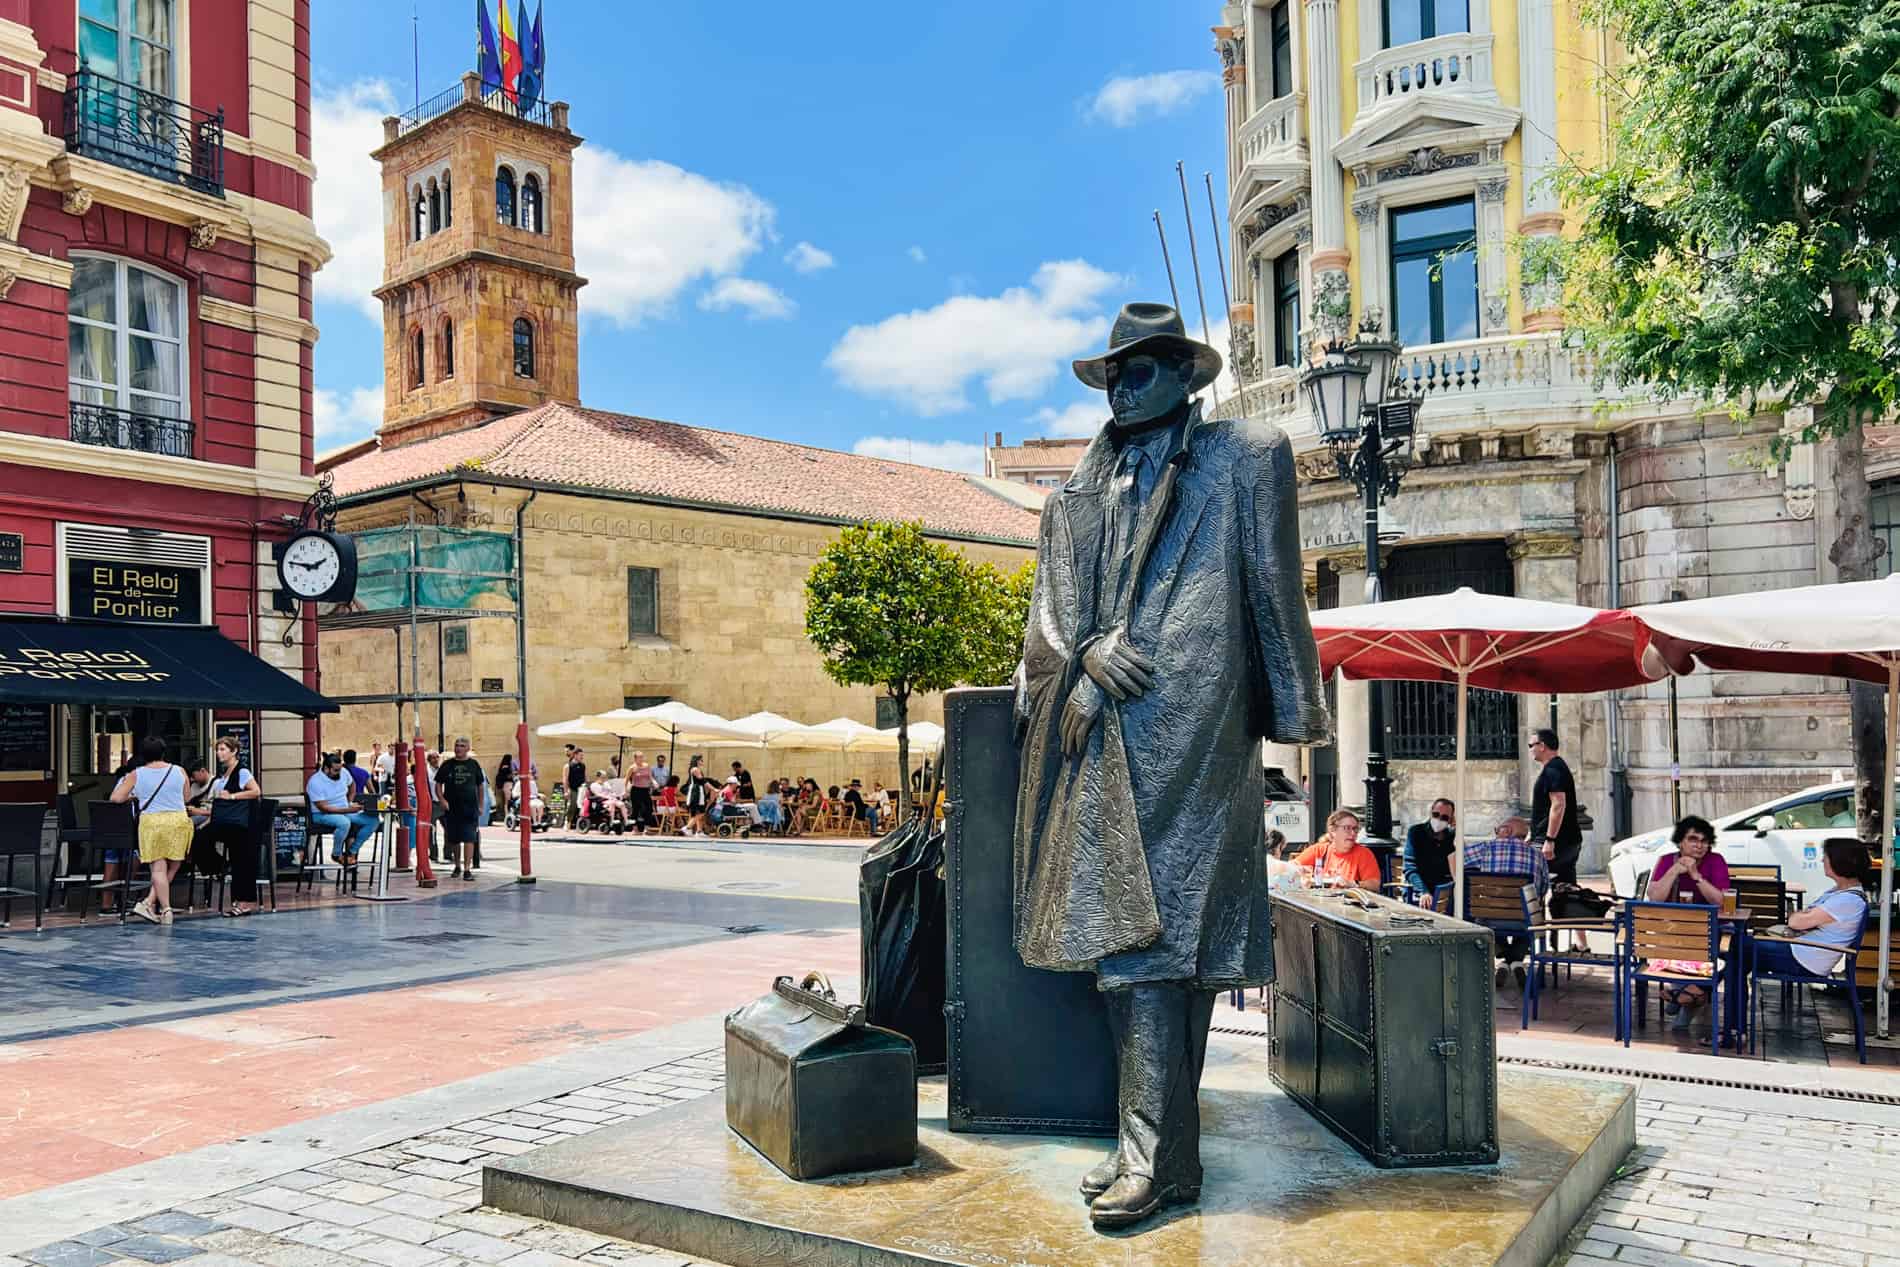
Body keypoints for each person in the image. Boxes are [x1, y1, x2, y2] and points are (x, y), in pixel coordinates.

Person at [1015, 303, 1330, 1226]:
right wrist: (1081, 658)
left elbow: (1275, 586)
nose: (1124, 384)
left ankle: (1154, 1155)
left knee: (1153, 945)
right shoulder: (1077, 490)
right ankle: (1162, 1153)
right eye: (1114, 370)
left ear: (1184, 374)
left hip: (1194, 726)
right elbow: (1046, 617)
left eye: (1142, 367)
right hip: (1100, 735)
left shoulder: (1248, 455)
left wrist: (1294, 712)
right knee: (1142, 944)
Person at [1645, 814, 1731, 1024]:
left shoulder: (1715, 861)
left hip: (1708, 932)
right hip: (1672, 932)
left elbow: (1722, 902)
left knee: (1722, 950)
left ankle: (1684, 995)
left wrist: (1696, 875)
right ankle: (1688, 996)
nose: (1699, 846)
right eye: (1693, 839)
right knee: (1677, 942)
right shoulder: (1667, 861)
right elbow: (1655, 897)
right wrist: (1674, 871)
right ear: (1680, 843)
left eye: (1704, 841)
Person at [1753, 838, 1871, 978]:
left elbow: (1796, 923)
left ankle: (1733, 998)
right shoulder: (1842, 892)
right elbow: (1805, 917)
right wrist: (1802, 916)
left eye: (1826, 857)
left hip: (1805, 961)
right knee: (1741, 948)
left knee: (1739, 949)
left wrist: (1798, 916)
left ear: (1839, 861)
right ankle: (1735, 998)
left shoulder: (1848, 900)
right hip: (1803, 953)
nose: (1822, 861)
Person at [110, 736, 192, 925]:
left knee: (158, 868)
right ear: (164, 752)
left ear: (143, 754)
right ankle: (149, 902)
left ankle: (165, 909)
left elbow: (116, 798)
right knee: (174, 865)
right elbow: (186, 797)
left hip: (153, 822)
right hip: (178, 821)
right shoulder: (179, 770)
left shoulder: (136, 774)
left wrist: (133, 796)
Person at [1464, 815, 1548, 986]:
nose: (1495, 833)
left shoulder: (1487, 848)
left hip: (1489, 919)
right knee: (1533, 911)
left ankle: (1505, 961)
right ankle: (1515, 961)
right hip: (1524, 921)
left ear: (1508, 831)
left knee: (1486, 915)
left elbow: (1456, 858)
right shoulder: (1538, 855)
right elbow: (1543, 889)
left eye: (1498, 830)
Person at [189, 737, 263, 916]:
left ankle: (243, 903)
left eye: (223, 749)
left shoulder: (242, 771)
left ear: (234, 751)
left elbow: (256, 791)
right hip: (225, 821)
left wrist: (232, 796)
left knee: (241, 860)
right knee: (199, 838)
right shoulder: (225, 773)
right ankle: (220, 866)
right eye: (218, 749)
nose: (219, 753)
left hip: (240, 824)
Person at [1529, 729, 1583, 886]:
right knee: (1564, 887)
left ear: (1542, 746)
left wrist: (1549, 840)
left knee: (1534, 888)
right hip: (1567, 840)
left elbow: (1558, 804)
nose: (1530, 749)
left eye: (1531, 745)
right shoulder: (1557, 767)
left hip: (1556, 842)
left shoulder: (1553, 770)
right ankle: (1568, 910)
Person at [307, 751, 380, 865]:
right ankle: (336, 854)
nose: (339, 773)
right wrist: (348, 809)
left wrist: (349, 801)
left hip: (343, 810)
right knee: (344, 822)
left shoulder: (343, 772)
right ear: (326, 769)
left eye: (340, 769)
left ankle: (352, 851)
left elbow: (352, 785)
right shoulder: (315, 782)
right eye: (336, 770)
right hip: (321, 814)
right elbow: (324, 808)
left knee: (373, 821)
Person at [433, 737, 487, 880]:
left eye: (462, 746)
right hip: (452, 807)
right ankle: (457, 866)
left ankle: (467, 869)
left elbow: (480, 786)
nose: (459, 748)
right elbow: (438, 784)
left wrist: (481, 805)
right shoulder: (447, 764)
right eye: (457, 745)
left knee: (469, 838)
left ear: (468, 748)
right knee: (455, 839)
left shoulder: (474, 765)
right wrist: (442, 800)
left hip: (470, 807)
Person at [1294, 809, 1383, 887]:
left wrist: (1353, 884)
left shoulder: (1363, 853)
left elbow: (1374, 884)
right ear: (1333, 831)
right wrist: (1301, 875)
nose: (1353, 833)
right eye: (1347, 828)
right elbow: (1291, 867)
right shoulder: (1319, 850)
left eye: (1355, 829)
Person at [1401, 798, 1457, 907]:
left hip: (1443, 892)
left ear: (1450, 820)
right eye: (1436, 814)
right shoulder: (1416, 832)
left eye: (1445, 817)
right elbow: (1409, 867)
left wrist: (1457, 830)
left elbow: (1457, 869)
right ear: (1431, 812)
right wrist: (1423, 891)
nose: (1439, 819)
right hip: (1418, 890)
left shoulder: (1451, 837)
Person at [627, 750, 656, 831]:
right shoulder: (632, 767)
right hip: (635, 789)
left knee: (649, 808)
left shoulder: (647, 766)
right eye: (639, 757)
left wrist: (654, 782)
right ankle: (634, 828)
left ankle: (647, 827)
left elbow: (650, 777)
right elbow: (626, 779)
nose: (641, 759)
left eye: (642, 757)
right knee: (635, 809)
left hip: (645, 789)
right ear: (635, 758)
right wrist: (626, 790)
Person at [566, 746, 589, 829]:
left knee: (582, 806)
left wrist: (587, 786)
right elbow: (565, 779)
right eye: (580, 755)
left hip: (582, 788)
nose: (582, 757)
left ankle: (579, 825)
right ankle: (568, 822)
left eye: (582, 755)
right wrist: (566, 790)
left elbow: (586, 776)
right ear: (575, 755)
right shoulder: (568, 766)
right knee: (572, 806)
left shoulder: (583, 765)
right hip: (573, 788)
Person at [494, 753, 515, 825]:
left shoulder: (502, 766)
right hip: (508, 785)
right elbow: (508, 776)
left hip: (504, 785)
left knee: (506, 801)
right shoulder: (506, 766)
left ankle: (507, 815)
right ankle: (507, 815)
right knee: (508, 801)